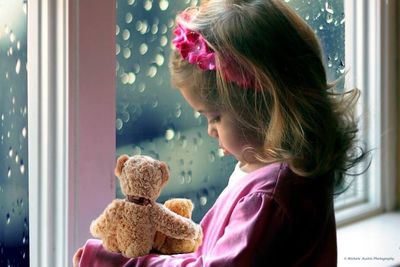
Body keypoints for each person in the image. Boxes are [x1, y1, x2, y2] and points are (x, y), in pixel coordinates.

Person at [74, 0, 368, 266]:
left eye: (214, 116)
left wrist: (120, 263)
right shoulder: (285, 174)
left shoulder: (267, 198)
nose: (210, 130)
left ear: (262, 106)